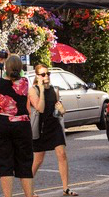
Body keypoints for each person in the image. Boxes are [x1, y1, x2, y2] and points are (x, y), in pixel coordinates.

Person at [0, 54, 43, 197]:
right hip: (22, 126)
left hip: (0, 126)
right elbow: (17, 74)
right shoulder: (25, 82)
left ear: (5, 68)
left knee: (5, 164)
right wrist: (13, 61)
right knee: (25, 164)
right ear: (20, 69)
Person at [31, 64, 77, 196]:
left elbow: (59, 111)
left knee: (62, 154)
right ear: (37, 76)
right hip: (41, 129)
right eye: (43, 74)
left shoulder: (54, 90)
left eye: (48, 74)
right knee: (38, 160)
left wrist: (62, 110)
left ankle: (65, 188)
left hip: (54, 126)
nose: (46, 76)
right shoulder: (33, 90)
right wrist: (41, 87)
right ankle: (29, 187)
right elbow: (40, 108)